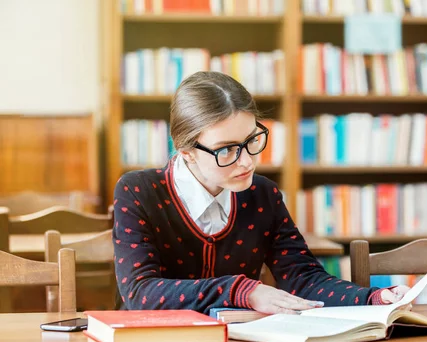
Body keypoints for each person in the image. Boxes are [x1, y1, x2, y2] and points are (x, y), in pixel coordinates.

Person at [113, 71, 409, 316]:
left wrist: (374, 298)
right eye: (226, 149)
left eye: (251, 139)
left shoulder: (262, 193)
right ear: (188, 152)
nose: (247, 161)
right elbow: (141, 293)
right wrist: (243, 290)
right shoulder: (138, 191)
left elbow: (303, 279)